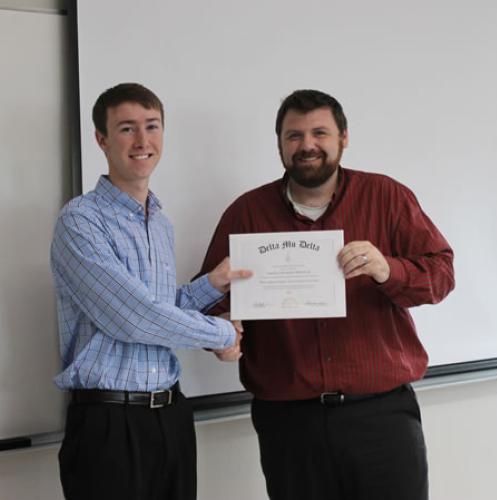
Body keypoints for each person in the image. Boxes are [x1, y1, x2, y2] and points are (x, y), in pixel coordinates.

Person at [198, 89, 455, 500]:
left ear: (343, 138)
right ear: (280, 143)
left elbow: (441, 274)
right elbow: (211, 298)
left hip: (382, 414)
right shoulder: (246, 213)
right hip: (288, 423)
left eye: (320, 133)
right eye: (294, 136)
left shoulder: (387, 197)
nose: (307, 145)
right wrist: (222, 333)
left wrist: (389, 269)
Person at [50, 82, 250, 500]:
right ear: (101, 139)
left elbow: (157, 308)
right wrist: (222, 334)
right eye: (126, 129)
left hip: (171, 416)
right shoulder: (80, 220)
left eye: (152, 126)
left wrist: (209, 285)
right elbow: (132, 317)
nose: (142, 141)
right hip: (108, 424)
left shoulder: (160, 223)